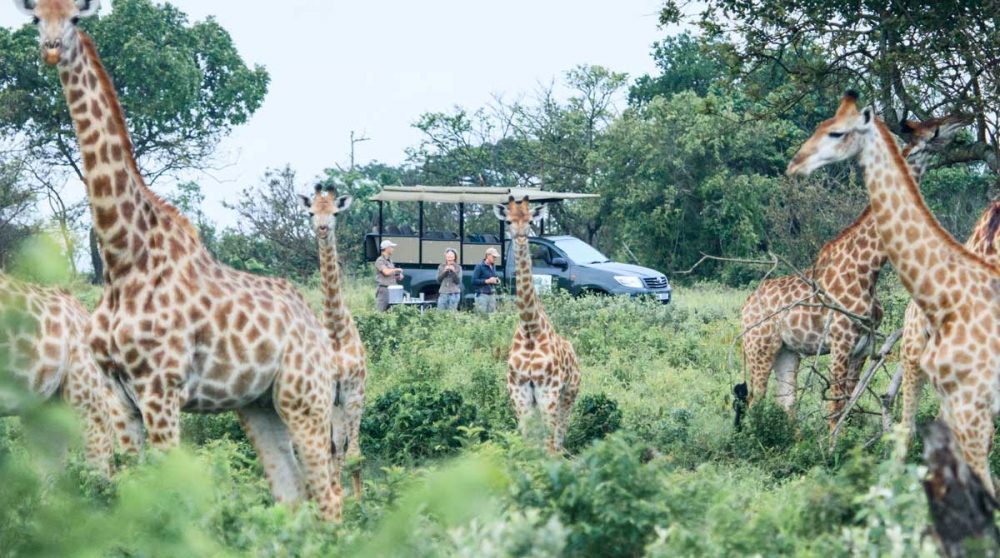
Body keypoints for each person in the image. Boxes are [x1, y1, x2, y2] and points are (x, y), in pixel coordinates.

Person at [375, 239, 403, 312]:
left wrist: (398, 276)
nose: (393, 249)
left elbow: (390, 274)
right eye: (391, 247)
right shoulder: (380, 260)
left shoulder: (390, 261)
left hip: (392, 290)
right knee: (380, 311)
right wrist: (396, 270)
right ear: (387, 248)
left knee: (392, 312)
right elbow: (386, 272)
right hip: (384, 290)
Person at [471, 247, 501, 313]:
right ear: (488, 255)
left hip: (491, 295)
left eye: (496, 257)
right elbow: (473, 281)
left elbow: (494, 277)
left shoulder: (493, 266)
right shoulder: (479, 266)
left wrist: (497, 280)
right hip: (482, 295)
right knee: (482, 317)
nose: (495, 258)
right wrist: (487, 281)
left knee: (491, 317)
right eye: (493, 257)